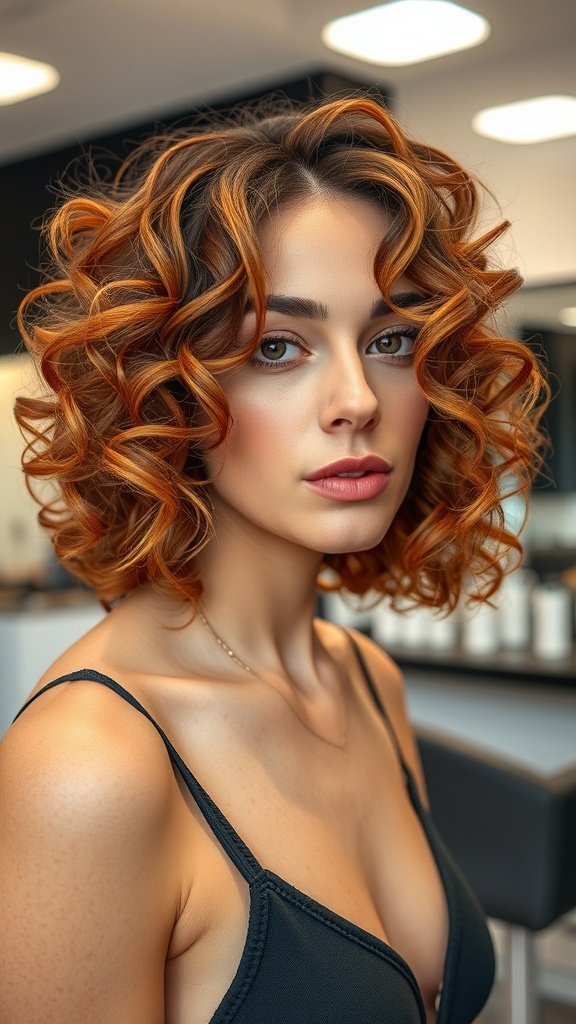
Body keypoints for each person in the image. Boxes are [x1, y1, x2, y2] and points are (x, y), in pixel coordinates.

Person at [0, 95, 547, 1024]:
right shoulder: (89, 769)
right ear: (168, 393)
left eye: (390, 341)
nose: (355, 399)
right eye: (277, 347)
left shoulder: (365, 680)